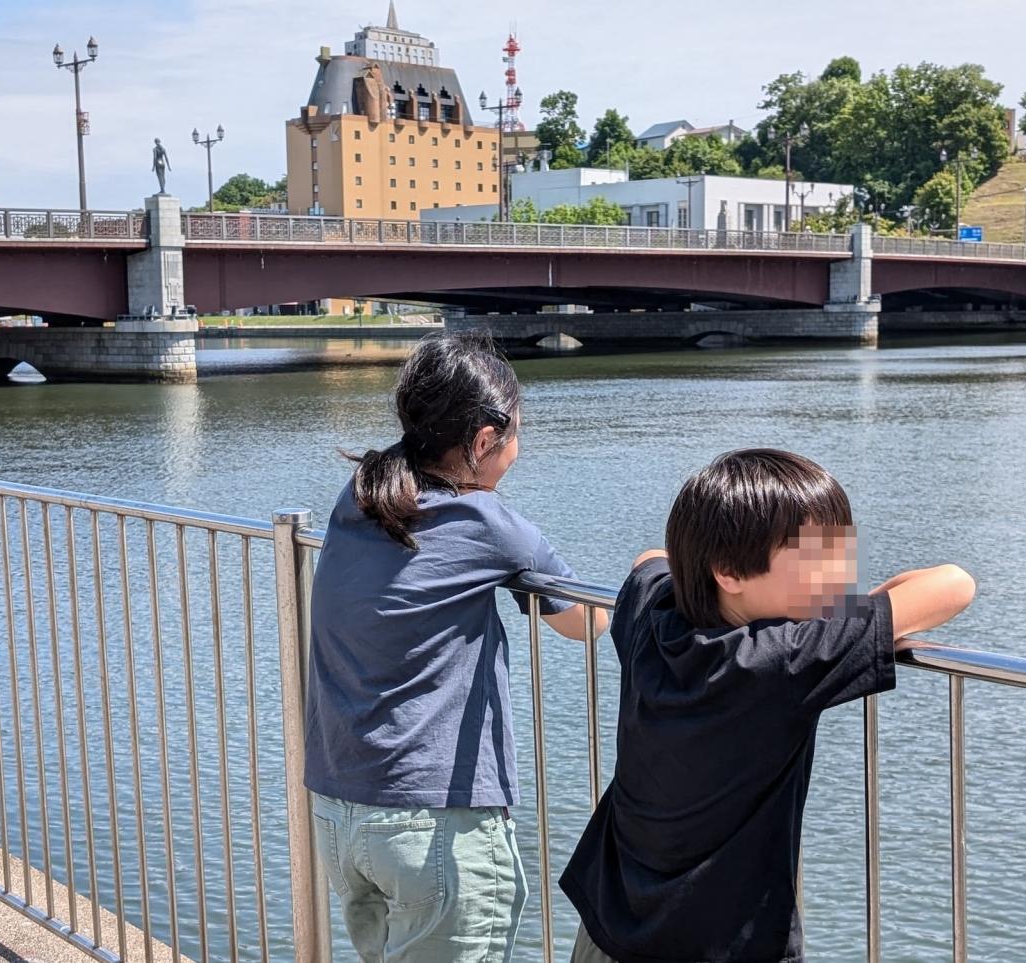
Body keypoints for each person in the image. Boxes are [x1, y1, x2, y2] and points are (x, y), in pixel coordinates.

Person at [561, 448, 976, 963]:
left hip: (611, 928)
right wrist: (847, 621)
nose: (841, 575)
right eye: (819, 559)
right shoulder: (781, 659)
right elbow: (954, 585)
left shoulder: (653, 615)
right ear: (728, 570)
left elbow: (648, 560)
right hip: (722, 943)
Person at [305, 332, 609, 963]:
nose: (519, 451)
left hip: (340, 811)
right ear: (484, 440)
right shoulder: (488, 525)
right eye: (517, 434)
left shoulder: (358, 497)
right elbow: (587, 622)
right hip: (432, 823)